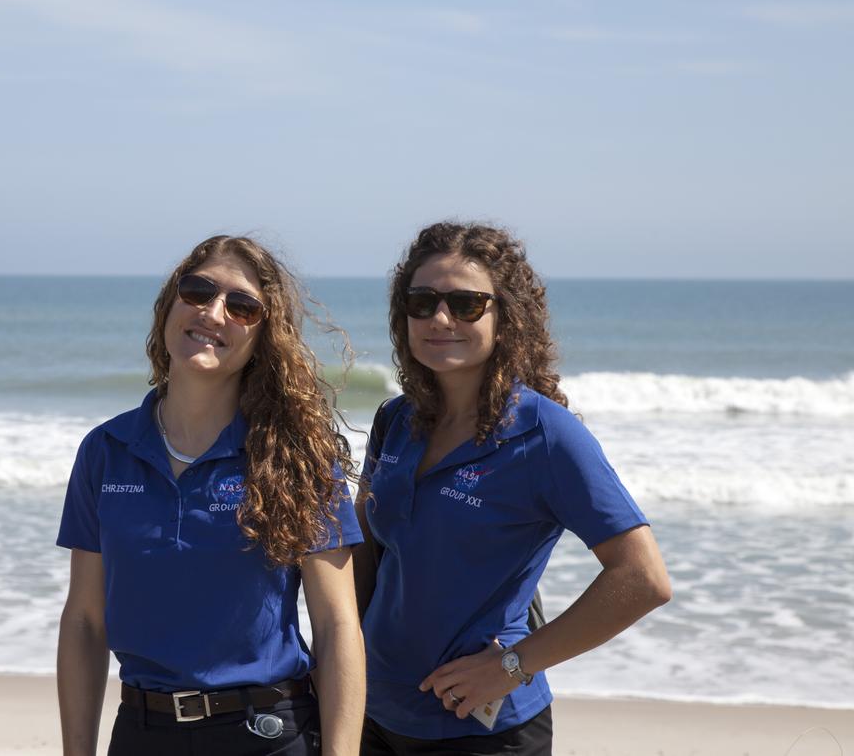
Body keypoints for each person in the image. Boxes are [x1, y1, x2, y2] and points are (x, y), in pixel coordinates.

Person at [354, 222, 671, 755]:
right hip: (374, 713)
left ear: (506, 318)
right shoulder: (396, 419)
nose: (440, 318)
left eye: (466, 304)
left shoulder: (545, 434)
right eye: (422, 301)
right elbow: (367, 550)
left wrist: (510, 666)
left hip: (482, 729)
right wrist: (342, 658)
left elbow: (643, 579)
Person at [56, 235, 367, 756]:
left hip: (267, 732)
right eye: (198, 291)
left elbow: (337, 627)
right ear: (169, 305)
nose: (213, 312)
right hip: (142, 731)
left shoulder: (298, 456)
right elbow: (85, 622)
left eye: (242, 306)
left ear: (263, 336)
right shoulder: (106, 450)